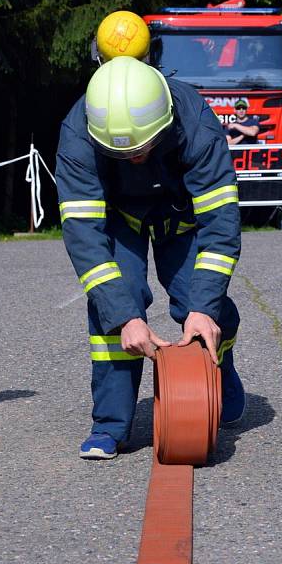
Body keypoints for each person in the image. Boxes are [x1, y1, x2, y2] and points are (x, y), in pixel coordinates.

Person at [55, 56, 245, 460]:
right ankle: (110, 425)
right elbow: (84, 234)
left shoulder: (195, 120)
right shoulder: (78, 130)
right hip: (121, 220)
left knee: (202, 303)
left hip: (182, 217)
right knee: (112, 305)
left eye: (142, 148)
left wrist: (202, 308)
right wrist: (125, 316)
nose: (135, 158)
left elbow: (221, 221)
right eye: (122, 153)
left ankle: (221, 370)